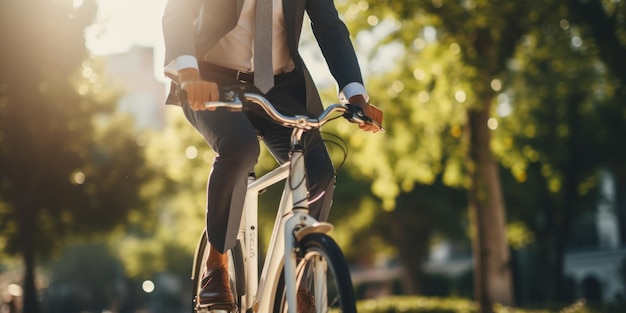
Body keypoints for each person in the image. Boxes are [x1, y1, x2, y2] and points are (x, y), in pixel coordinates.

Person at [162, 0, 383, 309]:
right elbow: (179, 11)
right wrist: (188, 72)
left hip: (281, 85)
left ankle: (301, 276)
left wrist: (355, 94)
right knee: (239, 148)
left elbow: (329, 26)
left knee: (317, 173)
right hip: (210, 79)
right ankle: (217, 265)